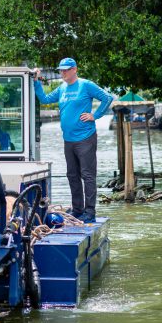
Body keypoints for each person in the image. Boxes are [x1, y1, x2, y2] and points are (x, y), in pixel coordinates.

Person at [33, 58, 113, 223]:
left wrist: (94, 116)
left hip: (85, 137)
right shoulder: (62, 88)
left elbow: (107, 98)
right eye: (61, 70)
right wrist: (36, 82)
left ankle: (90, 212)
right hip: (68, 139)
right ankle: (77, 209)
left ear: (74, 69)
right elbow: (45, 99)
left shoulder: (85, 85)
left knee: (87, 175)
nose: (63, 72)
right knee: (72, 175)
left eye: (66, 70)